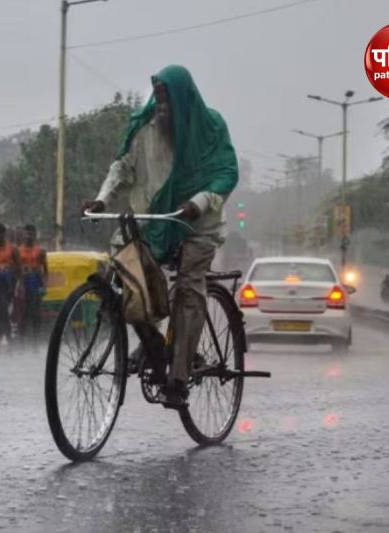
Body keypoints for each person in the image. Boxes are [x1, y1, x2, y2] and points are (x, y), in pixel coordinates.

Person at [82, 65, 238, 408]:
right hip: (154, 221)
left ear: (184, 100)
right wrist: (102, 198)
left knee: (187, 288)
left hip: (199, 224)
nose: (162, 108)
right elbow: (122, 167)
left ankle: (178, 378)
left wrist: (198, 204)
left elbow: (226, 172)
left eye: (168, 101)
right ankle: (152, 341)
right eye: (159, 100)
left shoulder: (209, 127)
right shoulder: (144, 127)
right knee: (127, 280)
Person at [17, 224, 48, 339]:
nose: (28, 236)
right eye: (26, 233)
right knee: (22, 311)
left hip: (35, 280)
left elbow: (45, 269)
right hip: (23, 281)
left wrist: (44, 285)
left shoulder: (40, 251)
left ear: (35, 235)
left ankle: (36, 337)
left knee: (36, 310)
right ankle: (22, 339)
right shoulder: (18, 250)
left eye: (30, 234)